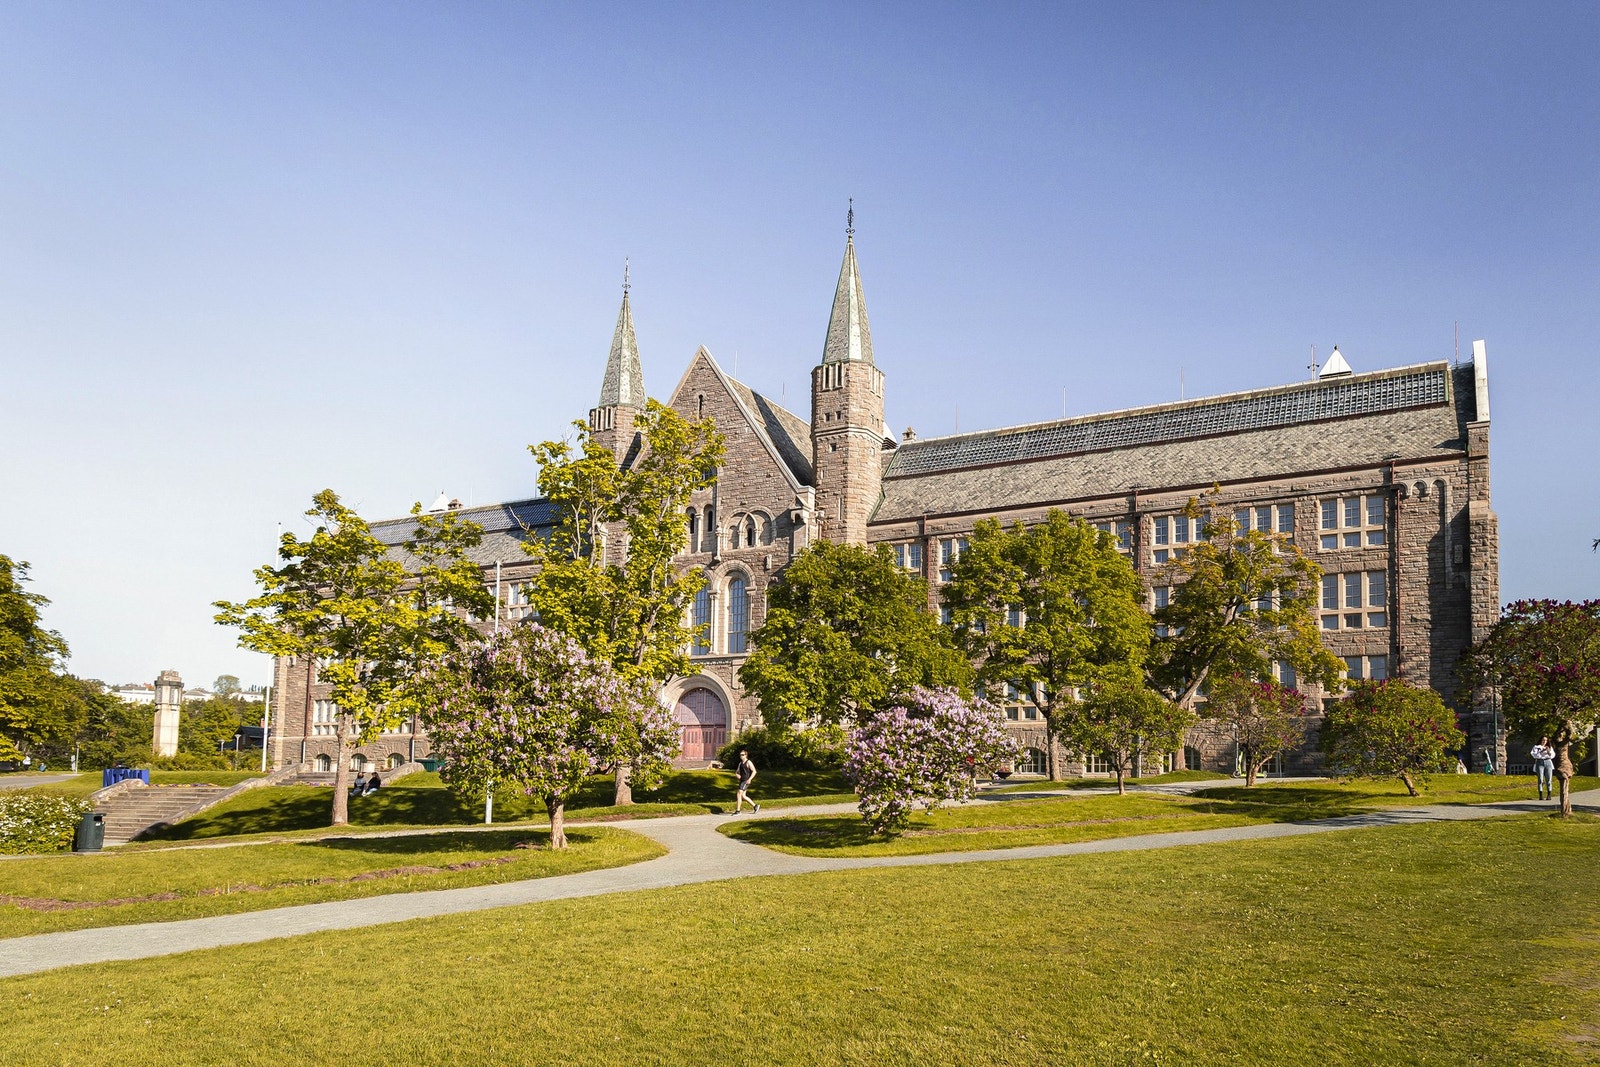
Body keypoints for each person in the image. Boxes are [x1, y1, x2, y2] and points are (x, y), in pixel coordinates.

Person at [733, 749, 759, 814]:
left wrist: (749, 779)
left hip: (746, 781)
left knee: (739, 794)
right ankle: (755, 806)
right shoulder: (740, 763)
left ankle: (738, 811)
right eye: (740, 755)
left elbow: (754, 771)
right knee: (743, 796)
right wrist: (737, 775)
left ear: (746, 755)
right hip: (742, 781)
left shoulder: (748, 762)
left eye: (743, 755)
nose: (741, 756)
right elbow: (737, 772)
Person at [1531, 737, 1556, 801]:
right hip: (1540, 762)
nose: (1544, 741)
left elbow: (1552, 755)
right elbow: (1534, 755)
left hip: (1548, 762)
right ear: (1541, 740)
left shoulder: (1549, 747)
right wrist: (1541, 751)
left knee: (1549, 779)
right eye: (1543, 740)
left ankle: (1549, 795)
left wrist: (1548, 751)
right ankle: (1541, 795)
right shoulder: (1537, 747)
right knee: (1540, 779)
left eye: (1546, 740)